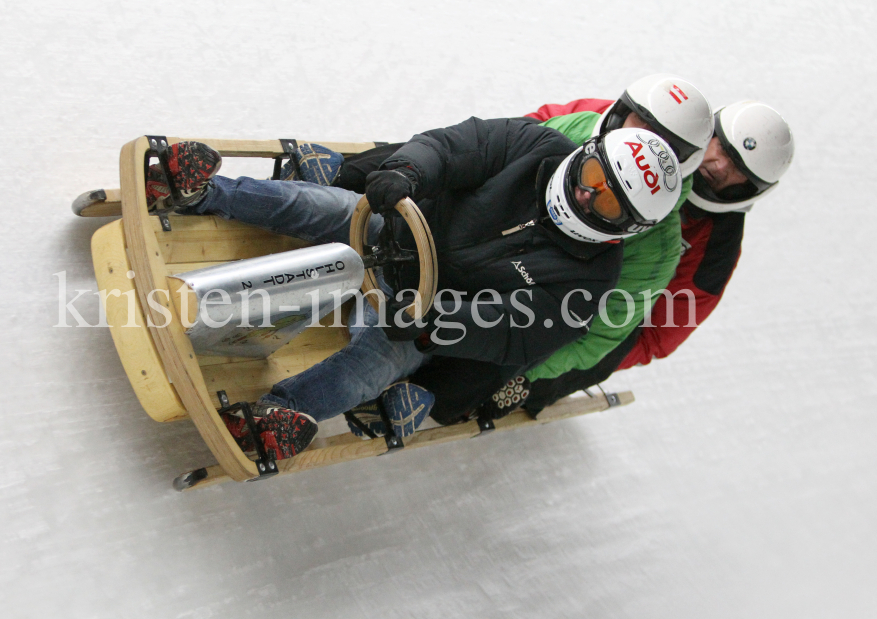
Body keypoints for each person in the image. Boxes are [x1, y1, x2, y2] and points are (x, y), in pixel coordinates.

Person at [147, 116, 682, 458]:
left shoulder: (587, 283)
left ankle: (280, 414)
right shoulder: (534, 146)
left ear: (624, 225)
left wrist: (435, 324)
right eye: (592, 176)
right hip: (391, 228)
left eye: (607, 202)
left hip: (415, 313)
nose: (587, 197)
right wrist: (405, 173)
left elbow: (514, 334)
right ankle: (198, 192)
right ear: (586, 152)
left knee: (370, 367)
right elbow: (456, 147)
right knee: (314, 204)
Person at [410, 74, 717, 424]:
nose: (645, 142)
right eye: (643, 122)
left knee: (478, 371)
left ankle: (428, 393)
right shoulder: (577, 127)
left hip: (536, 297)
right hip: (481, 241)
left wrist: (531, 374)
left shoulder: (656, 248)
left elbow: (600, 330)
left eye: (663, 141)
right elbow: (493, 146)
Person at [521, 100, 795, 413]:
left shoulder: (717, 245)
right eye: (723, 148)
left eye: (738, 171)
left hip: (593, 305)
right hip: (542, 236)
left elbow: (659, 333)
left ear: (751, 189)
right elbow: (541, 124)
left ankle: (525, 386)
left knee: (612, 341)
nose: (719, 166)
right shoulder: (647, 127)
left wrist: (573, 357)